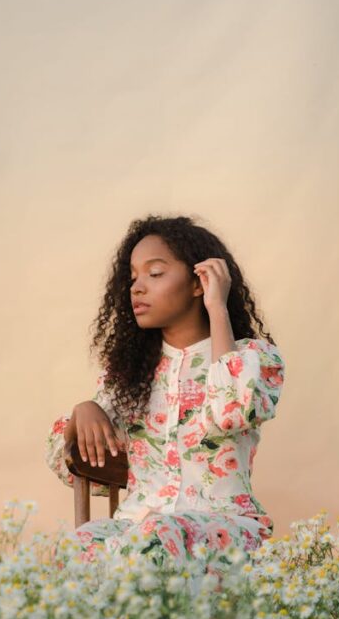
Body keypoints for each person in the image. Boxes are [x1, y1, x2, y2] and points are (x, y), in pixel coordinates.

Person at [45, 214, 286, 579]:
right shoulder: (130, 377)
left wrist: (217, 310)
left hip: (224, 529)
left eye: (154, 274)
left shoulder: (255, 359)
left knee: (157, 534)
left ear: (198, 282)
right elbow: (71, 465)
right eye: (133, 278)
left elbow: (231, 410)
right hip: (136, 530)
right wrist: (85, 409)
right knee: (73, 548)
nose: (137, 288)